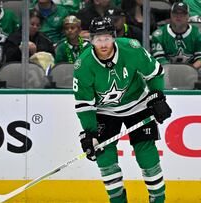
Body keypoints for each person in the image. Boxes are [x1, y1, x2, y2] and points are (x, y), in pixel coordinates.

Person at [73, 16, 171, 203]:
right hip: (105, 111)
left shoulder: (131, 49)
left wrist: (157, 96)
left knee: (146, 153)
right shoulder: (83, 65)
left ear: (114, 37)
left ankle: (158, 199)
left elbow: (155, 72)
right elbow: (84, 105)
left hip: (138, 103)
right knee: (104, 155)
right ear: (91, 40)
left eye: (107, 38)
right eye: (98, 39)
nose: (103, 44)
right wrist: (90, 134)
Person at [151, 2, 201, 75]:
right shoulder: (158, 35)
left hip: (192, 71)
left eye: (182, 14)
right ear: (171, 15)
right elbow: (159, 58)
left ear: (188, 16)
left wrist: (189, 70)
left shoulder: (199, 34)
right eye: (175, 13)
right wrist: (171, 70)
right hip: (167, 72)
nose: (178, 16)